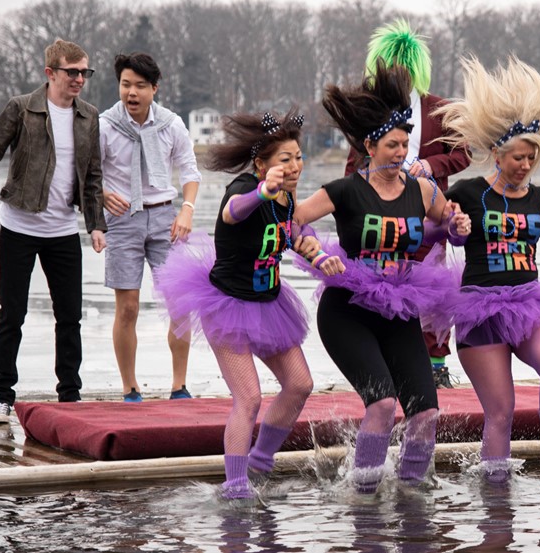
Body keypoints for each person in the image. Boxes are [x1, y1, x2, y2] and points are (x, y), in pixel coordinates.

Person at [296, 61, 470, 494]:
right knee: (383, 404)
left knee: (426, 412)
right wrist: (317, 253)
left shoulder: (422, 189)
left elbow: (448, 225)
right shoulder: (344, 190)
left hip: (399, 308)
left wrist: (458, 225)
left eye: (406, 145)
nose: (401, 153)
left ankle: (413, 492)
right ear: (370, 146)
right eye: (393, 145)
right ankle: (364, 495)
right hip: (348, 311)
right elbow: (290, 222)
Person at [153, 109, 322, 502]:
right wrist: (262, 191)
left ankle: (260, 462)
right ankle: (235, 485)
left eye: (298, 157)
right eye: (285, 159)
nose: (295, 166)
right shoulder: (244, 187)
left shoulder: (288, 195)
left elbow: (293, 228)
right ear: (261, 164)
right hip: (227, 305)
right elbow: (233, 212)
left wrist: (311, 243)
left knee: (300, 384)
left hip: (269, 304)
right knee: (249, 398)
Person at [433, 57, 540, 485]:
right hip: (479, 308)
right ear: (498, 154)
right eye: (518, 157)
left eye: (532, 157)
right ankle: (495, 488)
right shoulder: (469, 192)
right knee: (501, 410)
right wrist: (454, 228)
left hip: (529, 303)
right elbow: (445, 234)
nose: (525, 164)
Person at [0, 38, 107, 423]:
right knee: (12, 313)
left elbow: (93, 175)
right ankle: (2, 396)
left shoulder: (89, 116)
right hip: (20, 226)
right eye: (72, 72)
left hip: (63, 230)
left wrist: (96, 224)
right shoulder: (21, 108)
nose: (79, 79)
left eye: (85, 72)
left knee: (70, 316)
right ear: (50, 72)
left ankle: (70, 397)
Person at [346, 20, 471, 388]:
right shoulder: (371, 109)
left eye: (403, 68)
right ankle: (384, 361)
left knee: (433, 289)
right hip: (381, 211)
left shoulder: (439, 108)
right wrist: (352, 199)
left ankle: (436, 364)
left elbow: (463, 154)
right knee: (383, 284)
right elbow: (354, 163)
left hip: (429, 211)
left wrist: (431, 165)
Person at [99, 52, 201, 402]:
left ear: (154, 88)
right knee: (128, 307)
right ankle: (130, 388)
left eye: (140, 86)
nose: (132, 92)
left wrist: (187, 209)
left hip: (165, 218)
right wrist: (102, 195)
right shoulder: (105, 125)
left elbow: (189, 170)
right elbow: (87, 173)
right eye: (125, 84)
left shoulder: (171, 124)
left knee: (179, 304)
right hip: (122, 219)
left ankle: (179, 385)